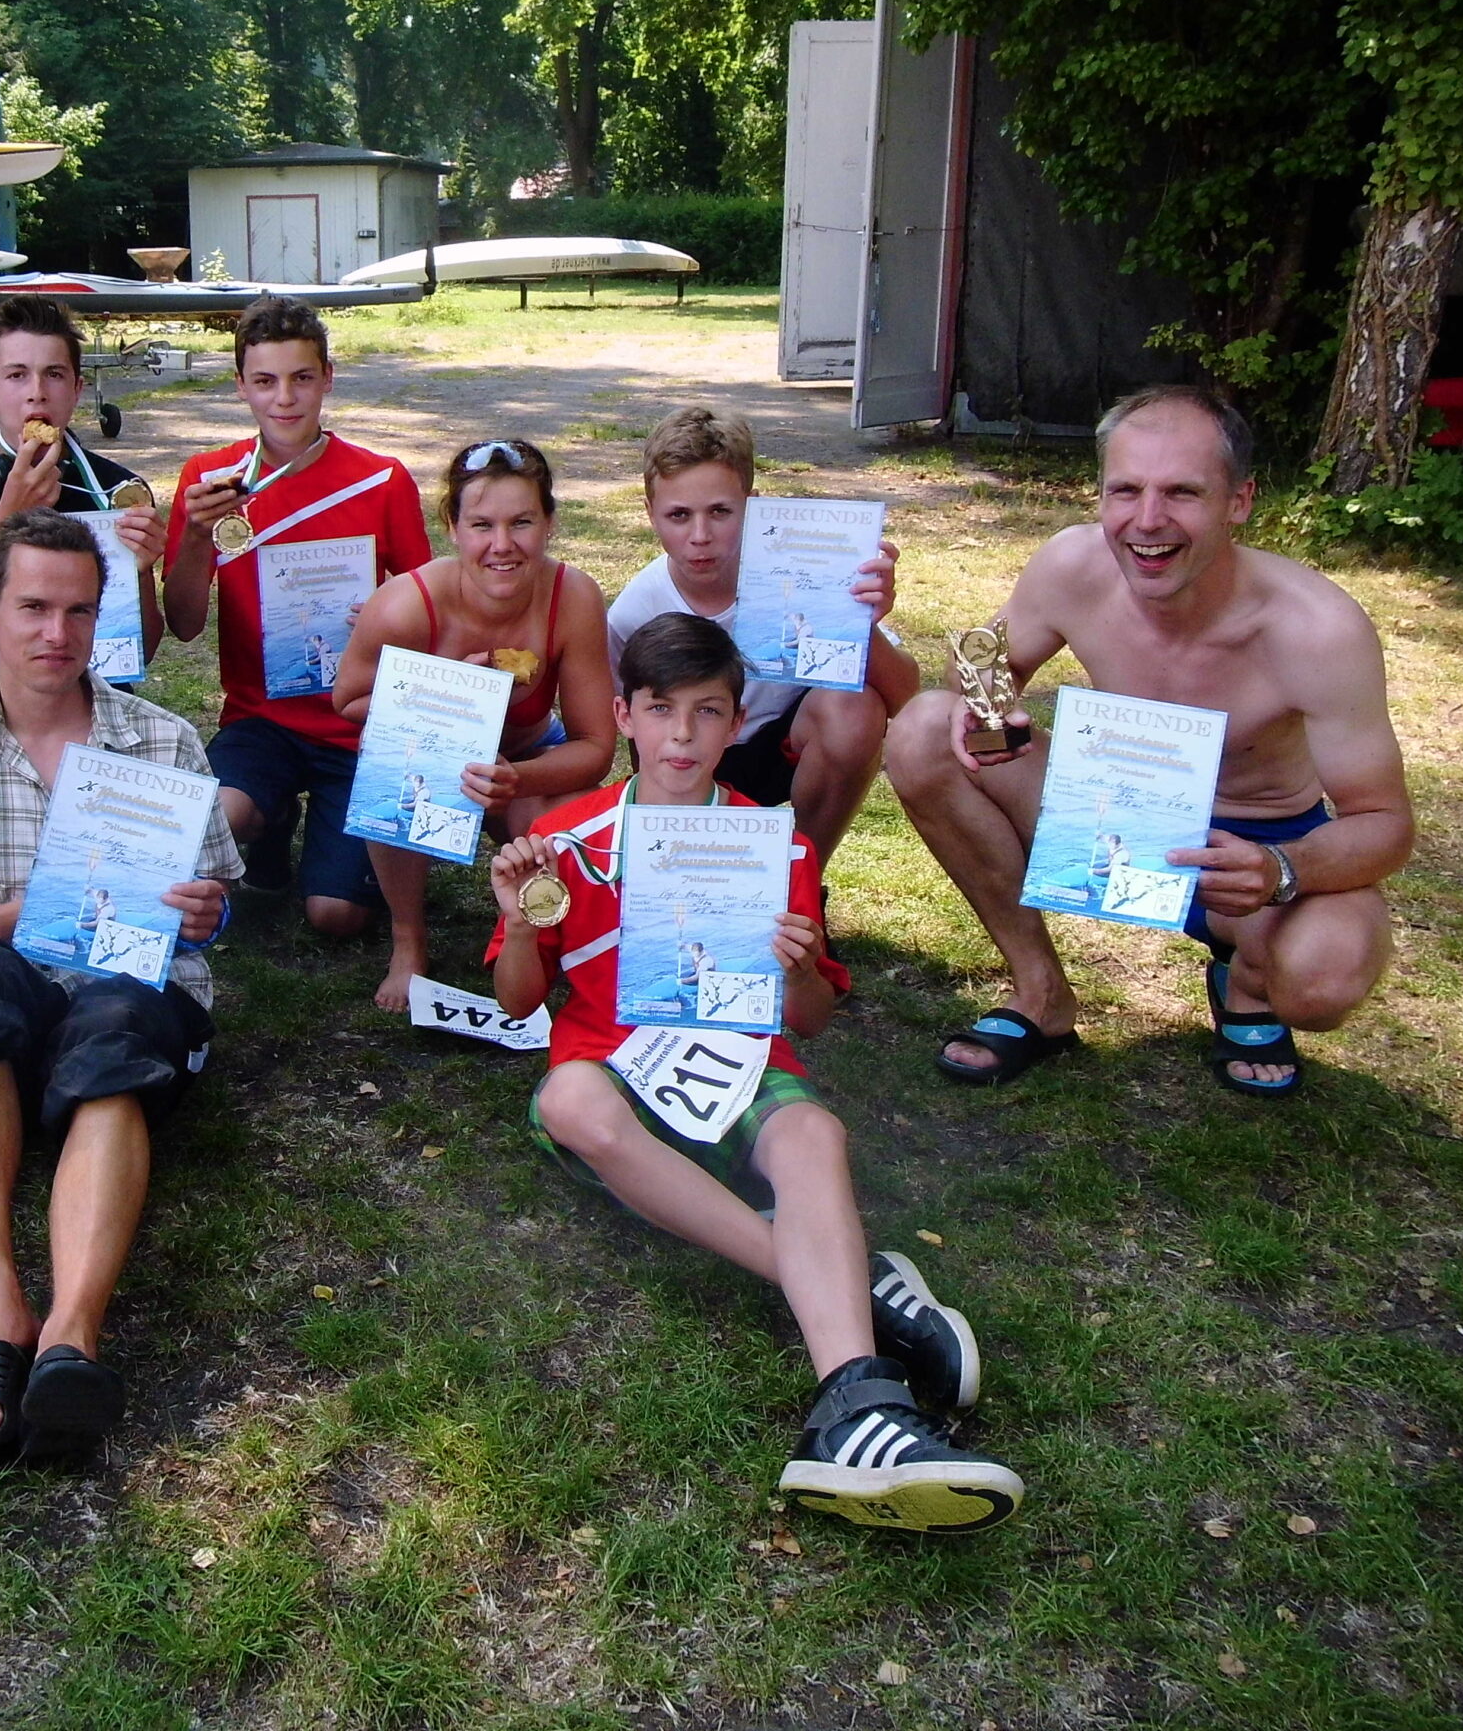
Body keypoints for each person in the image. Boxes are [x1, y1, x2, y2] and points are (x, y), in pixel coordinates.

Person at [487, 613, 1022, 1534]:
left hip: (736, 1057)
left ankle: (856, 1413)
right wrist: (526, 923)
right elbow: (515, 1005)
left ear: (739, 724)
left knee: (814, 1129)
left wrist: (802, 967)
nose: (683, 736)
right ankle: (845, 1286)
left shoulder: (773, 845)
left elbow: (810, 1019)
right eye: (661, 710)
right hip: (608, 1065)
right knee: (569, 1099)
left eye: (707, 713)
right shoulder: (569, 835)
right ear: (623, 715)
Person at [884, 386, 1413, 1096]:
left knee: (1323, 981)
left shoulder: (1317, 630)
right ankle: (1040, 996)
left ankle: (1247, 980)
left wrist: (1280, 868)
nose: (1148, 521)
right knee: (923, 727)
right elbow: (983, 655)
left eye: (1182, 493)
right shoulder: (1072, 564)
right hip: (1120, 816)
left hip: (1260, 843)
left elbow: (1386, 826)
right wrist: (991, 705)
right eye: (1124, 490)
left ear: (1240, 500)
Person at [0, 510, 242, 1466]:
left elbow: (215, 903)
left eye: (80, 611)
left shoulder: (161, 743)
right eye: (35, 607)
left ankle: (72, 1334)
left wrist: (205, 912)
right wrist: (19, 911)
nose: (57, 634)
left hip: (129, 994)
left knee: (119, 1013)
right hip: (8, 998)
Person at [163, 297, 433, 944]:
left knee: (334, 918)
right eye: (265, 381)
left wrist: (385, 618)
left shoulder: (381, 479)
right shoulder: (210, 480)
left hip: (354, 724)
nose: (285, 398)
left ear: (328, 378)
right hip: (261, 719)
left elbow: (431, 611)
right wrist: (198, 538)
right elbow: (184, 624)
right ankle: (271, 814)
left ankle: (326, 847)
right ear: (241, 387)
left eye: (302, 378)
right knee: (220, 818)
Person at [333, 437, 614, 1009]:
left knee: (579, 816)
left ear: (551, 523)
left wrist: (518, 780)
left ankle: (546, 929)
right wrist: (440, 697)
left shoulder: (575, 596)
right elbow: (349, 700)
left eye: (523, 522)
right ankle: (408, 938)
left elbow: (596, 747)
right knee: (390, 761)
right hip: (431, 758)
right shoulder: (405, 604)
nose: (502, 545)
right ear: (452, 527)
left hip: (528, 759)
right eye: (482, 524)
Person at [605, 407, 919, 861]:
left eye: (719, 511)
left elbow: (905, 697)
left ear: (753, 505)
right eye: (678, 515)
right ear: (650, 512)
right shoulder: (635, 614)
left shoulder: (800, 574)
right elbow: (639, 737)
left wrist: (858, 626)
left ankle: (803, 877)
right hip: (691, 753)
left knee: (856, 707)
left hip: (786, 746)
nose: (700, 535)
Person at [0, 294, 167, 693]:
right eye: (16, 375)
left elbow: (142, 649)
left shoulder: (116, 489)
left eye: (54, 374)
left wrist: (138, 572)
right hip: (0, 696)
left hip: (101, 696)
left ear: (77, 388)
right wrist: (8, 514)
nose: (37, 392)